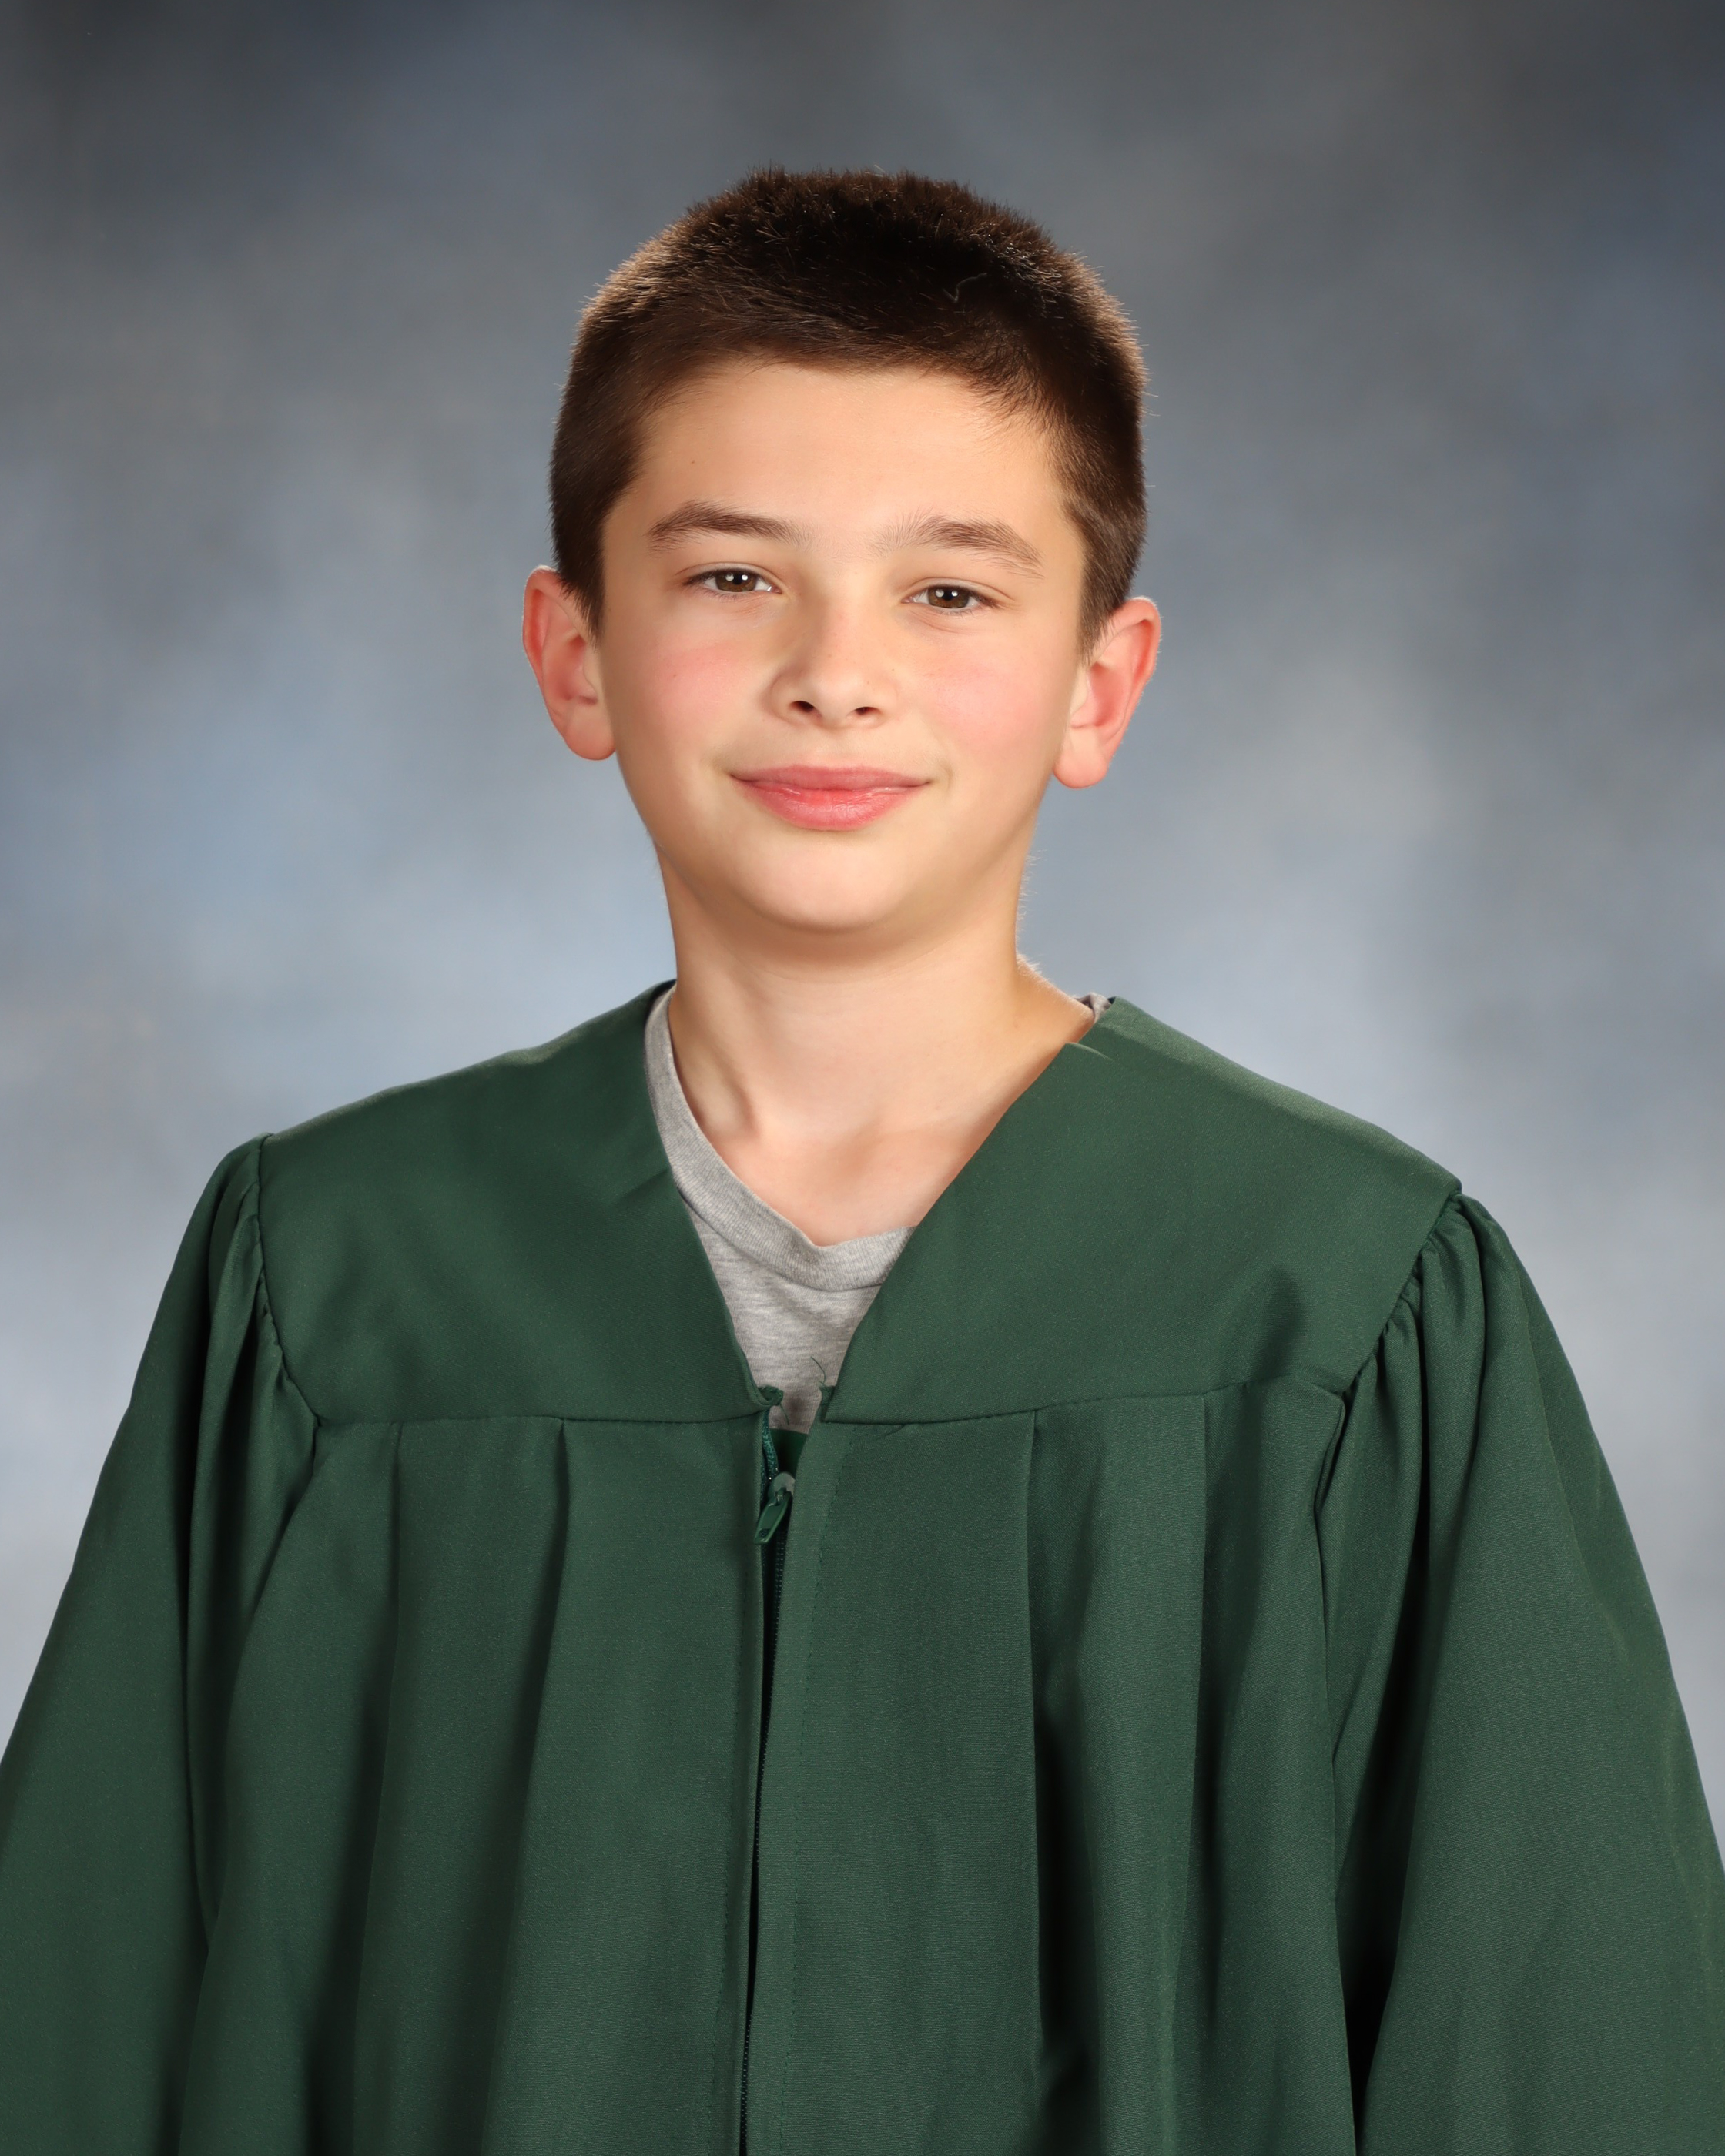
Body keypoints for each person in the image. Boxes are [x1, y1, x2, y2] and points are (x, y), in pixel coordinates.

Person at [1, 169, 1720, 2155]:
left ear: (1099, 683)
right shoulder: (331, 1287)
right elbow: (87, 2020)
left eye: (950, 591)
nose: (837, 670)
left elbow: (1566, 2052)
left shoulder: (1342, 1305)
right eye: (734, 577)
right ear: (575, 652)